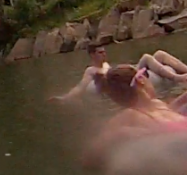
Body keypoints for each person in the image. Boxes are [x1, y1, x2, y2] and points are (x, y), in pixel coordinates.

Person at [81, 65, 187, 170]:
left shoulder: (156, 104)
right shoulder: (129, 116)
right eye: (146, 75)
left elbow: (169, 112)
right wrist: (120, 134)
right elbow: (89, 160)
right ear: (140, 80)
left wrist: (184, 97)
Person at [50, 45, 187, 103]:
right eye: (100, 52)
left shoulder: (106, 65)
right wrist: (65, 98)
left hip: (130, 74)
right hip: (128, 82)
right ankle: (179, 78)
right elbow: (80, 87)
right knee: (146, 57)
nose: (104, 54)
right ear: (92, 55)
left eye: (104, 51)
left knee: (159, 54)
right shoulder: (91, 70)